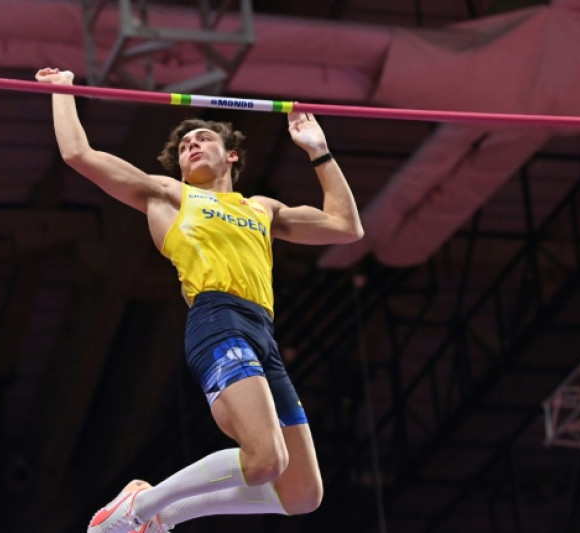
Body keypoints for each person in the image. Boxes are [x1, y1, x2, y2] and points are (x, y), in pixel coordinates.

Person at [34, 67, 363, 533]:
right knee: (265, 459)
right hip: (218, 319)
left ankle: (162, 514)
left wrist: (319, 151)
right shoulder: (169, 195)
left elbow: (347, 227)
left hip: (261, 331)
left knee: (302, 494)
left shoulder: (261, 208)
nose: (190, 145)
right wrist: (62, 90)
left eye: (202, 138)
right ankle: (139, 509)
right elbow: (78, 154)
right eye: (184, 145)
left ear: (231, 155)